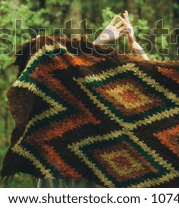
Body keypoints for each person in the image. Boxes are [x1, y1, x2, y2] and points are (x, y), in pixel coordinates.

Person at [37, 10, 148, 188]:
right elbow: (75, 77)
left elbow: (152, 86)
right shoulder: (57, 127)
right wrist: (99, 43)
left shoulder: (107, 125)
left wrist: (133, 43)